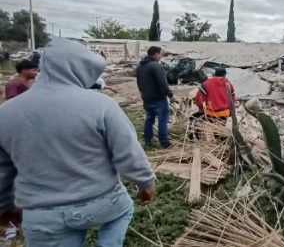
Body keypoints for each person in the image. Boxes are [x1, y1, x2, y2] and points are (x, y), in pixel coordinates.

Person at [0, 37, 156, 246]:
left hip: (41, 212)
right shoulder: (101, 105)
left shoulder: (6, 113)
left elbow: (2, 168)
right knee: (124, 208)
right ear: (83, 69)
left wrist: (5, 204)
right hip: (99, 203)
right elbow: (127, 151)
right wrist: (145, 183)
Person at [136, 46, 173, 149]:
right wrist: (170, 94)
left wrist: (142, 93)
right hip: (158, 98)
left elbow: (138, 83)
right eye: (160, 54)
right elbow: (162, 83)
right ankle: (164, 142)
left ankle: (148, 140)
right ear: (156, 54)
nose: (161, 56)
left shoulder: (140, 66)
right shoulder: (156, 66)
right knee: (162, 120)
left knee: (149, 119)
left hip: (146, 98)